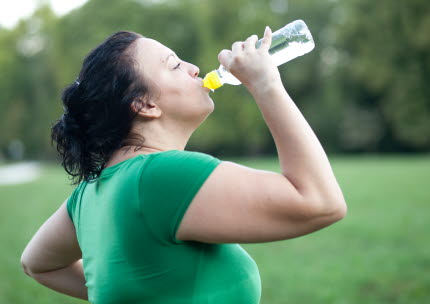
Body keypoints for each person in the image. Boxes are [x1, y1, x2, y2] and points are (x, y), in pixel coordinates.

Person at [20, 26, 347, 304]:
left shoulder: (90, 192)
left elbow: (37, 264)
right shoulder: (161, 175)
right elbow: (320, 202)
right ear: (145, 104)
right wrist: (266, 85)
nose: (193, 68)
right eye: (174, 65)